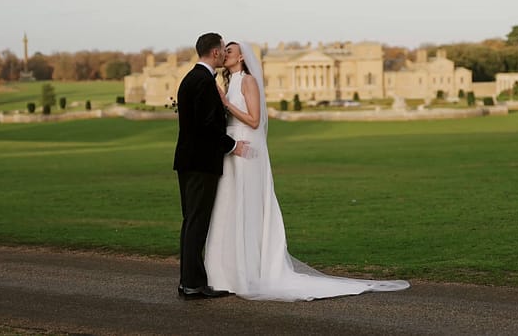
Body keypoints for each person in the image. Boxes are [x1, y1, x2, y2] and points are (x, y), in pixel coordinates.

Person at [204, 41, 410, 301]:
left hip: (246, 149)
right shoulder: (227, 82)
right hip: (233, 150)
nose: (224, 54)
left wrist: (225, 103)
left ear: (242, 57)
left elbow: (255, 120)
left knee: (247, 206)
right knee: (231, 208)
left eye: (229, 51)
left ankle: (251, 271)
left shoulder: (248, 82)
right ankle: (230, 272)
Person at [173, 32, 250, 300]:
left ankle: (187, 282)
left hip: (187, 161)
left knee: (190, 221)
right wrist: (232, 146)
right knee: (197, 222)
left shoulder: (191, 78)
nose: (224, 53)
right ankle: (194, 284)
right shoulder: (204, 81)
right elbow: (207, 127)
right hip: (201, 162)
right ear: (215, 53)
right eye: (222, 49)